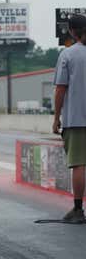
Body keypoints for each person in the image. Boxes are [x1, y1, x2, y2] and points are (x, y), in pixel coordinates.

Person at [53, 14, 86, 223]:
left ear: (73, 31)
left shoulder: (68, 55)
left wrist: (56, 117)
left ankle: (77, 209)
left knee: (79, 164)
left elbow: (60, 90)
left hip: (77, 118)